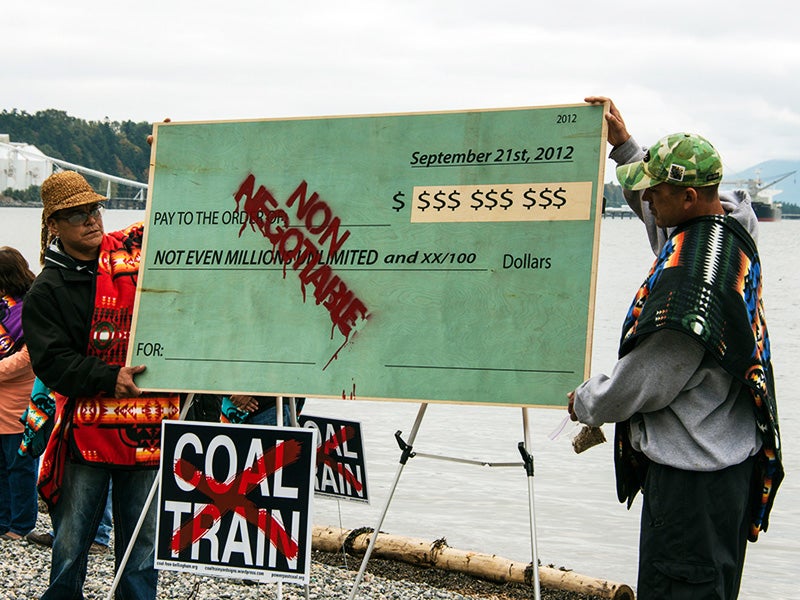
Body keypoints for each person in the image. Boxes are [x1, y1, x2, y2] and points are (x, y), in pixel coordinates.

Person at [567, 97, 783, 599]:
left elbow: (648, 378)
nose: (644, 201)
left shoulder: (690, 287)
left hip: (692, 486)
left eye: (655, 192)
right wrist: (624, 148)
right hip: (729, 469)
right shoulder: (730, 232)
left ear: (687, 197)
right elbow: (665, 227)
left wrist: (586, 401)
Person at [21, 170, 180, 599]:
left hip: (148, 428)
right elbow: (52, 364)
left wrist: (169, 162)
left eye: (94, 209)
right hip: (85, 434)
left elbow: (175, 219)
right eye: (77, 214)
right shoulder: (46, 289)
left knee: (141, 545)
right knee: (71, 543)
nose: (92, 220)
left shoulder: (132, 252)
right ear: (54, 223)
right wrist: (110, 377)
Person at [0, 247, 38, 542]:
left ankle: (22, 524)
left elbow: (30, 357)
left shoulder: (31, 307)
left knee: (20, 465)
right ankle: (3, 520)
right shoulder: (3, 306)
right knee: (2, 467)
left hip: (19, 399)